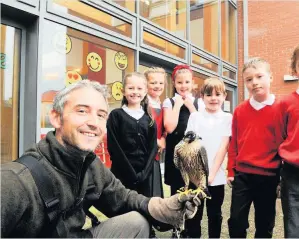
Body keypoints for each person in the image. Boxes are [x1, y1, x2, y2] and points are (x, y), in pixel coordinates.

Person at [1, 80, 200, 238]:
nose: (93, 123)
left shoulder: (90, 164)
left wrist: (162, 208)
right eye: (82, 111)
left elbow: (123, 199)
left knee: (136, 222)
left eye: (101, 115)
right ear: (56, 118)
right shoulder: (13, 182)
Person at [227, 57, 281, 238]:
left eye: (259, 77)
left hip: (269, 175)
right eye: (249, 80)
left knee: (264, 223)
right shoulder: (240, 110)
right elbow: (233, 142)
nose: (255, 83)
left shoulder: (281, 108)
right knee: (235, 221)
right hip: (243, 175)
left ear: (271, 77)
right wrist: (230, 170)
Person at [185, 77, 232, 238]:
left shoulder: (228, 118)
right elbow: (190, 145)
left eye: (218, 94)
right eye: (209, 94)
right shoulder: (195, 117)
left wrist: (210, 175)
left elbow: (223, 147)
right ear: (202, 97)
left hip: (216, 177)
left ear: (224, 96)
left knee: (214, 215)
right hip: (195, 177)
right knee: (193, 214)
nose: (213, 98)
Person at [163, 64, 205, 237]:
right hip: (176, 157)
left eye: (187, 82)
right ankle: (177, 230)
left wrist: (191, 107)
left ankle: (194, 230)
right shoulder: (169, 101)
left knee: (195, 193)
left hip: (194, 158)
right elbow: (170, 127)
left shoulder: (199, 102)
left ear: (192, 83)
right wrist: (178, 105)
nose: (183, 86)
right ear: (174, 83)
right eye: (179, 82)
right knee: (177, 194)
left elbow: (203, 127)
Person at [107, 72, 157, 197]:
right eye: (131, 88)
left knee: (143, 209)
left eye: (139, 88)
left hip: (144, 176)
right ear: (123, 91)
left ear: (145, 91)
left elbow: (152, 148)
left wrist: (145, 173)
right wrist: (131, 173)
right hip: (122, 173)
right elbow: (114, 147)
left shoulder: (149, 119)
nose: (135, 92)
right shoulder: (116, 115)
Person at [275, 45, 299, 238]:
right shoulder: (285, 103)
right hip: (292, 174)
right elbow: (278, 137)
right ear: (294, 69)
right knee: (293, 227)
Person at [144, 67, 167, 199]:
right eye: (153, 83)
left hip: (156, 154)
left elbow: (164, 128)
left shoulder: (162, 104)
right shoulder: (142, 103)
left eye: (161, 83)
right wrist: (156, 140)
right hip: (144, 154)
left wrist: (163, 138)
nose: (157, 86)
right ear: (146, 84)